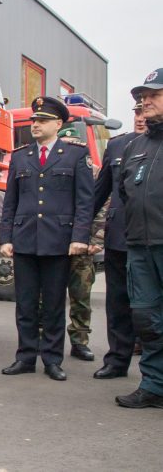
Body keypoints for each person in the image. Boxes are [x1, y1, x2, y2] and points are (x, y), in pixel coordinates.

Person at [0, 96, 93, 381]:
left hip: (58, 241)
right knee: (25, 304)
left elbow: (85, 202)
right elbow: (10, 202)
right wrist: (6, 237)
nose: (35, 125)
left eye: (42, 120)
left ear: (58, 124)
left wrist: (79, 237)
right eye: (33, 120)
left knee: (53, 305)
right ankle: (26, 357)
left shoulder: (76, 155)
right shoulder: (20, 156)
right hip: (26, 239)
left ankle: (52, 359)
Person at [115, 69, 163, 408]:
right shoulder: (137, 145)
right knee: (146, 320)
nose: (144, 101)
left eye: (153, 95)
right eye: (142, 96)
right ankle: (154, 386)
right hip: (140, 247)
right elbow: (124, 191)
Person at [92, 102, 147, 379]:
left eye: (144, 111)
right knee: (117, 304)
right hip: (118, 238)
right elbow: (98, 193)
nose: (140, 118)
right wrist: (78, 229)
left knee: (150, 307)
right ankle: (116, 361)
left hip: (152, 239)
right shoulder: (117, 146)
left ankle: (152, 369)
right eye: (136, 112)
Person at [55, 127, 103, 362]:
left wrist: (95, 240)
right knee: (48, 297)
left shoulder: (93, 172)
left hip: (82, 247)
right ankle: (46, 338)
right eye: (66, 141)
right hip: (55, 244)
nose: (69, 145)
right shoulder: (52, 170)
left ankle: (79, 341)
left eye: (74, 141)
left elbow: (101, 206)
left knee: (81, 297)